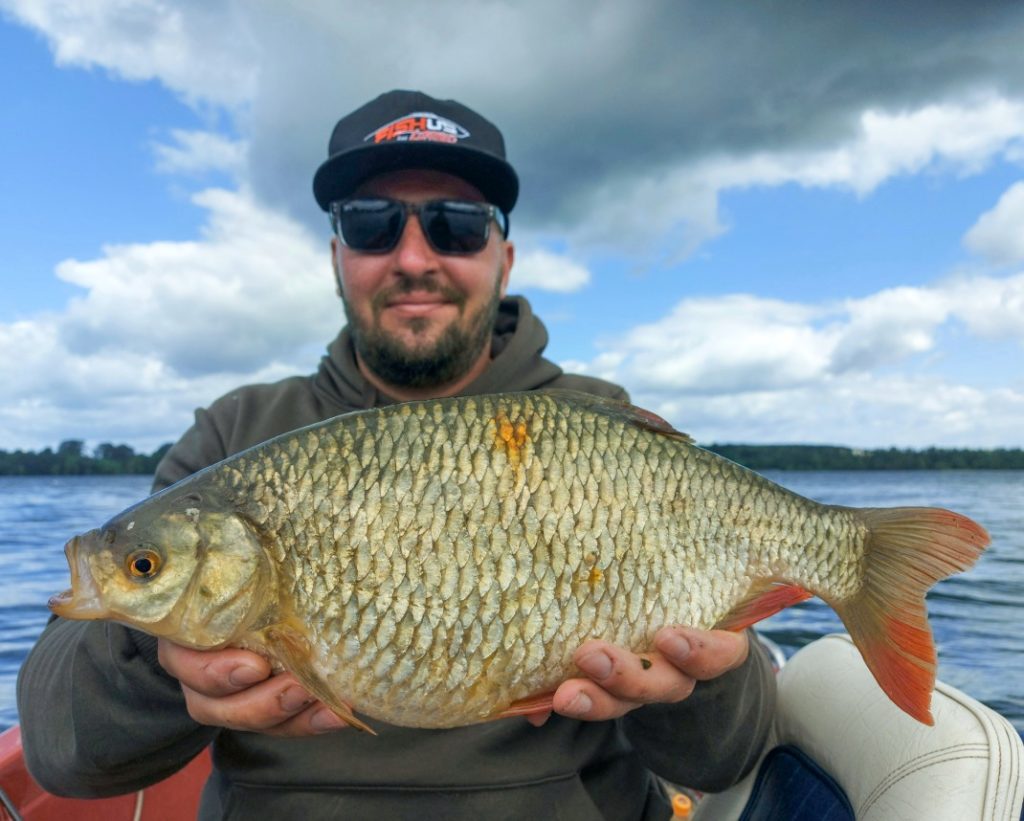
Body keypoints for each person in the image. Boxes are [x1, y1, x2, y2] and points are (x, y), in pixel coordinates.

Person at [18, 90, 776, 820]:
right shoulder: (236, 436)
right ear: (337, 254)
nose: (414, 257)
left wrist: (702, 674)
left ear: (503, 257)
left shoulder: (594, 431)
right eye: (373, 222)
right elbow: (60, 751)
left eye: (455, 224)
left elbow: (723, 761)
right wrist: (160, 650)